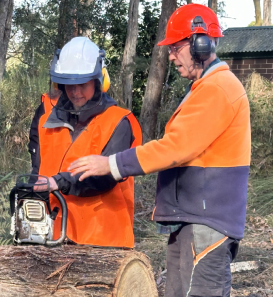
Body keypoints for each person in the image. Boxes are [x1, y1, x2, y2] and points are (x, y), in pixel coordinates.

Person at [68, 4, 250, 297]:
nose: (171, 54)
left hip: (207, 225)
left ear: (200, 44)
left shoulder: (217, 88)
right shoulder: (203, 87)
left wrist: (111, 164)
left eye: (177, 47)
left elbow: (175, 148)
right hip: (192, 221)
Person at [29, 37, 142, 249]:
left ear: (99, 81)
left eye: (82, 84)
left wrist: (58, 182)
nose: (75, 92)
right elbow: (38, 170)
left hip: (103, 239)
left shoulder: (119, 122)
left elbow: (105, 177)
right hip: (54, 234)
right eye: (69, 85)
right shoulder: (45, 118)